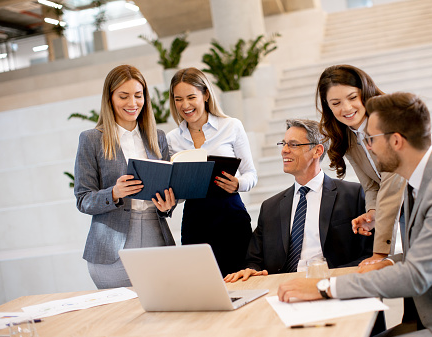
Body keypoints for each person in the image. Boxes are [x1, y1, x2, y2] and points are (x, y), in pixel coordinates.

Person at [278, 92, 432, 337]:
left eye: (371, 139)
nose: (367, 147)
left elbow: (417, 276)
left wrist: (323, 287)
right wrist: (387, 262)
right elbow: (427, 253)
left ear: (396, 141)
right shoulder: (417, 181)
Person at [224, 119, 373, 283]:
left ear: (317, 151)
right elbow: (254, 259)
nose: (284, 151)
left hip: (332, 286)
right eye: (283, 144)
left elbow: (370, 254)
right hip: (281, 289)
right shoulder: (270, 207)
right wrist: (251, 271)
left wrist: (331, 281)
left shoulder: (353, 194)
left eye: (293, 145)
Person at [74, 65, 176, 289]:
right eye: (123, 96)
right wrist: (114, 193)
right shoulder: (91, 139)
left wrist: (168, 205)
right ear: (109, 98)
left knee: (164, 315)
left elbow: (169, 188)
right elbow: (83, 199)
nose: (132, 103)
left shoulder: (157, 138)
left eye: (138, 95)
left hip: (155, 237)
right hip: (112, 246)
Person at [166, 67, 257, 276]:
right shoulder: (172, 139)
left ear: (205, 94)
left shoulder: (231, 126)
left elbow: (251, 174)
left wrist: (238, 184)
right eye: (178, 99)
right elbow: (175, 189)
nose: (185, 105)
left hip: (231, 218)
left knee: (239, 281)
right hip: (195, 223)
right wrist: (171, 197)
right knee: (202, 286)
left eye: (191, 97)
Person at [317, 64, 405, 266]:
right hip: (407, 212)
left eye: (352, 97)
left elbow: (393, 186)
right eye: (336, 102)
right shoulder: (347, 136)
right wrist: (373, 213)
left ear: (365, 93)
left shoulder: (389, 121)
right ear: (328, 106)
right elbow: (371, 185)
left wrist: (380, 253)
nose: (346, 108)